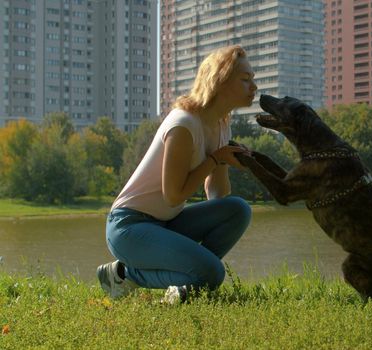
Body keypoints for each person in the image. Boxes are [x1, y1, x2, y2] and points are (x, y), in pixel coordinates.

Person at [96, 45, 256, 303]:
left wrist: (224, 159)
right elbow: (173, 195)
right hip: (129, 227)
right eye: (246, 80)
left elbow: (217, 196)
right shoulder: (184, 124)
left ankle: (188, 281)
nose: (254, 87)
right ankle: (123, 274)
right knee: (213, 273)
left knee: (237, 209)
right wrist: (216, 158)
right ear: (221, 81)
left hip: (166, 223)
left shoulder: (220, 123)